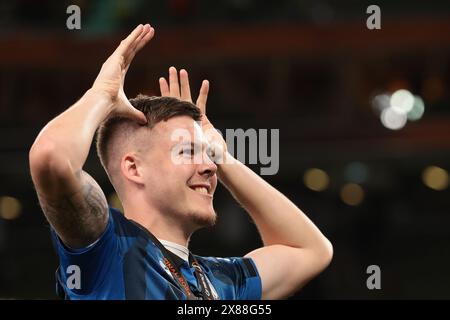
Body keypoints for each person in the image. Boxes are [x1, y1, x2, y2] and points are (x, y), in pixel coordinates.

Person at [29, 24, 333, 300]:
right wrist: (101, 95)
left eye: (208, 155)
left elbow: (312, 251)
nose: (209, 167)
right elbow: (51, 158)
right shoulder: (108, 250)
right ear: (134, 168)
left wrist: (224, 157)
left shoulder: (219, 282)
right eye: (187, 152)